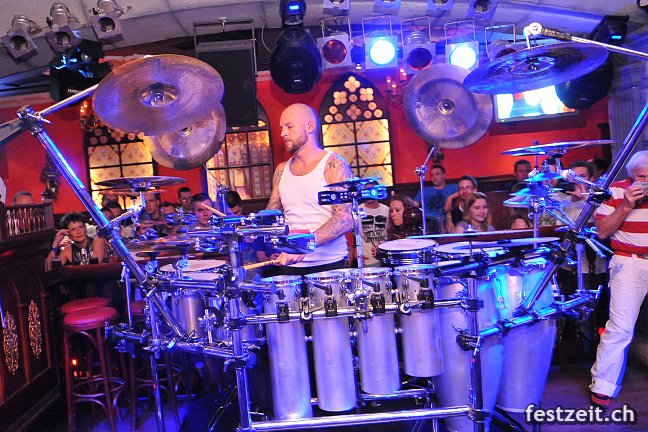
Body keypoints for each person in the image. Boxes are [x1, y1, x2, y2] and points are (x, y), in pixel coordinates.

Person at [261, 103, 353, 276]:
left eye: (289, 126)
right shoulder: (281, 170)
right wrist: (255, 227)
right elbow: (272, 215)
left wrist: (306, 243)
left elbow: (345, 219)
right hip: (290, 266)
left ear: (310, 127)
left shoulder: (333, 165)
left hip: (329, 267)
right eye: (282, 128)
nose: (282, 133)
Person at [589, 150, 648, 409]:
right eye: (642, 177)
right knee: (621, 327)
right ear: (631, 176)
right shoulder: (614, 191)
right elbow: (602, 232)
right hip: (629, 261)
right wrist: (626, 206)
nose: (647, 182)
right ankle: (602, 387)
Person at [414, 164, 457, 233]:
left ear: (444, 175)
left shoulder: (452, 188)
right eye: (432, 175)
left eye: (437, 174)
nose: (434, 177)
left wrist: (450, 197)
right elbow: (414, 205)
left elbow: (464, 191)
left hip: (443, 221)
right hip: (427, 221)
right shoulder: (424, 190)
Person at [357, 199, 389, 266]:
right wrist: (356, 253)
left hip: (386, 259)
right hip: (367, 261)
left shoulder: (387, 210)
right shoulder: (357, 210)